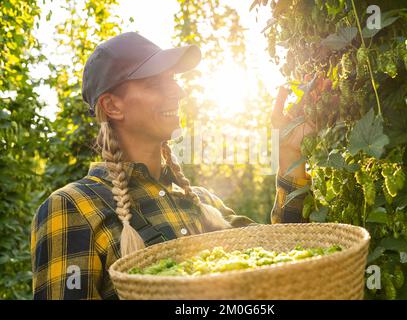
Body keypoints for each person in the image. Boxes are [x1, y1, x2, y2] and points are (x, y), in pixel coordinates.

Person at [31, 32, 314, 299]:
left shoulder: (202, 202)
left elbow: (287, 254)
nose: (178, 92)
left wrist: (289, 153)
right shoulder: (73, 208)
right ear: (113, 107)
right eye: (155, 83)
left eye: (174, 79)